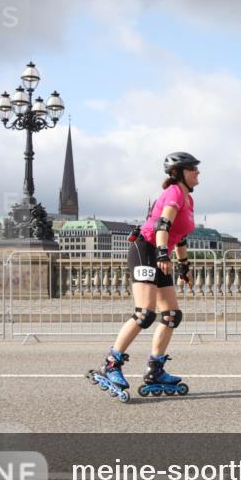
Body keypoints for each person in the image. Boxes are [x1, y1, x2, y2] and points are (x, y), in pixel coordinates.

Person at [88, 152, 200, 401]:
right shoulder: (173, 193)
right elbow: (162, 226)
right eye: (193, 169)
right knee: (145, 313)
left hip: (161, 255)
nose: (198, 173)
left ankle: (155, 370)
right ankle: (111, 364)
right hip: (145, 249)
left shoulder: (188, 200)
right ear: (179, 172)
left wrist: (184, 265)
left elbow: (179, 237)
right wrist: (162, 255)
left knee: (172, 315)